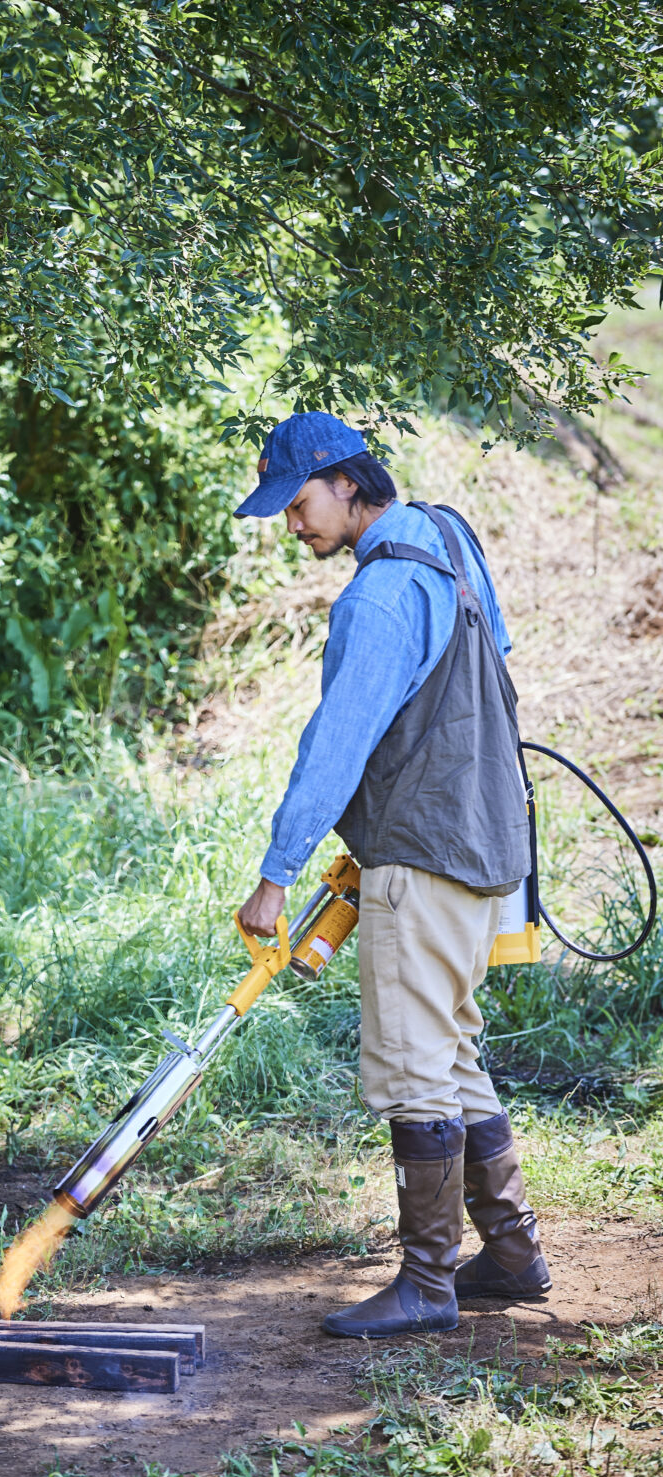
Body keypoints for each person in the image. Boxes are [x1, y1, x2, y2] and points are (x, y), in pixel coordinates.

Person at [233, 410, 551, 1339]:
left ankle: (427, 1284)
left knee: (415, 1063)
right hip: (488, 840)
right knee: (451, 1049)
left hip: (423, 851)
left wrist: (276, 874)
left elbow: (338, 742)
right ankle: (513, 1253)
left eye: (298, 505)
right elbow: (486, 668)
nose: (294, 528)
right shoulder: (448, 538)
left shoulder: (374, 596)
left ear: (345, 482)